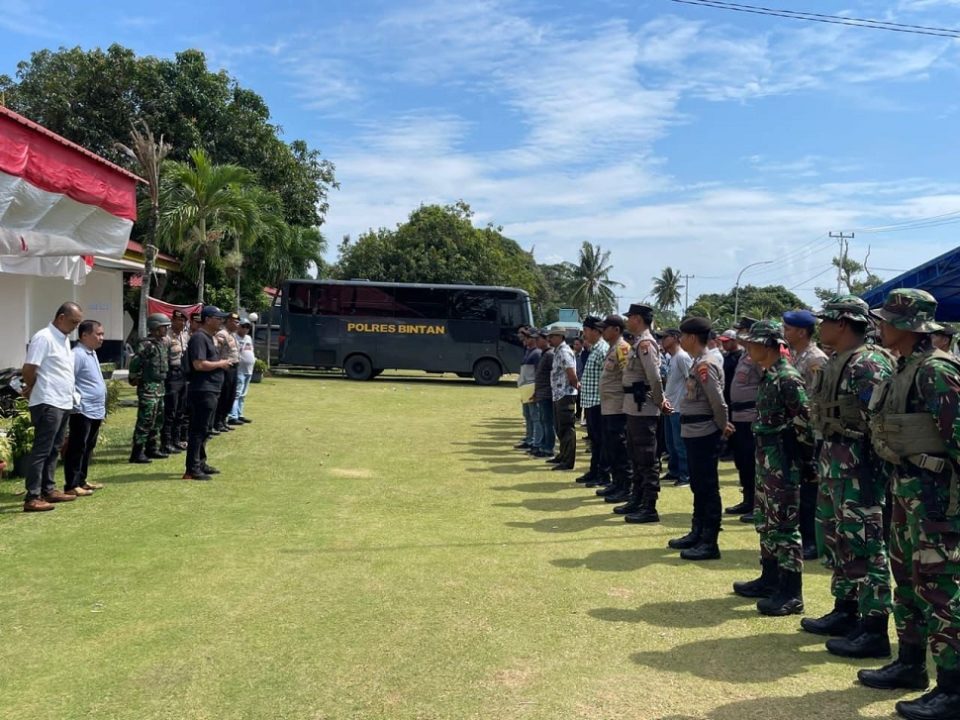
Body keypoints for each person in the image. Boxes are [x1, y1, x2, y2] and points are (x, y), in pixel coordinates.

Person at [858, 289, 960, 720]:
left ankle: (953, 689)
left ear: (907, 325)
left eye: (886, 319)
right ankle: (910, 663)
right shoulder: (903, 368)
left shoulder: (936, 372)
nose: (879, 325)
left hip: (937, 501)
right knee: (908, 578)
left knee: (941, 589)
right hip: (907, 493)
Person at [800, 295, 894, 660]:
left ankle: (873, 628)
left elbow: (879, 422)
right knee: (842, 542)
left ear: (842, 323)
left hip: (861, 469)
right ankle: (846, 610)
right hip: (836, 464)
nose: (820, 327)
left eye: (825, 321)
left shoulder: (867, 363)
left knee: (868, 546)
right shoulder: (839, 360)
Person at [734, 320, 813, 616]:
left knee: (785, 525)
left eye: (753, 344)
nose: (748, 348)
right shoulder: (770, 375)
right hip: (767, 458)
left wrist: (805, 461)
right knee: (767, 521)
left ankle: (791, 592)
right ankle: (770, 579)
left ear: (767, 345)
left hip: (783, 459)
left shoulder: (787, 377)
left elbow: (804, 421)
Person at [669, 317, 730, 560]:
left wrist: (722, 428)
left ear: (692, 337)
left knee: (707, 486)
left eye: (682, 335)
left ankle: (709, 540)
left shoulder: (706, 364)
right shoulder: (698, 362)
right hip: (694, 432)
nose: (680, 339)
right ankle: (698, 531)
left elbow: (717, 402)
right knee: (698, 484)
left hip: (704, 432)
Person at [20, 302, 84, 512]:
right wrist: (31, 387)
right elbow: (29, 368)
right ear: (61, 318)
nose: (76, 326)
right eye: (74, 322)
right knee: (42, 449)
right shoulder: (44, 337)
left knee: (55, 448)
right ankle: (33, 496)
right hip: (48, 401)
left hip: (62, 401)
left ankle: (48, 489)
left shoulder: (63, 339)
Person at [784, 308, 829, 560]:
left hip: (811, 435)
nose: (785, 332)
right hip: (798, 432)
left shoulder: (815, 360)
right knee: (801, 489)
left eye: (789, 329)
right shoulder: (796, 356)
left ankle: (812, 540)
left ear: (802, 332)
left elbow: (813, 401)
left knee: (811, 490)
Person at [620, 303, 667, 524]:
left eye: (630, 317)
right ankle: (637, 498)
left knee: (647, 458)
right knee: (635, 456)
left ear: (638, 319)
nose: (627, 321)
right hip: (633, 407)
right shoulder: (639, 343)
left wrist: (659, 402)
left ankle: (649, 506)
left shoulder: (646, 344)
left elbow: (655, 378)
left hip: (644, 408)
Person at [184, 305, 231, 481]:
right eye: (218, 318)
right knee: (198, 429)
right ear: (208, 319)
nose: (221, 321)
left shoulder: (209, 338)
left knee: (206, 429)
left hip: (211, 388)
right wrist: (221, 364)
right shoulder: (199, 338)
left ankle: (200, 462)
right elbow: (199, 364)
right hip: (202, 389)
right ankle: (192, 468)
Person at [63, 319, 107, 497]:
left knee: (88, 446)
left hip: (95, 409)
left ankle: (81, 480)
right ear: (84, 335)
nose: (101, 338)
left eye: (102, 334)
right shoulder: (77, 354)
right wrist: (75, 402)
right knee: (77, 446)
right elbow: (69, 379)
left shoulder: (91, 353)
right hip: (83, 409)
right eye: (98, 334)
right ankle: (71, 484)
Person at [726, 319, 763, 521]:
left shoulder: (758, 357)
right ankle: (748, 499)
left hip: (751, 416)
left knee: (751, 461)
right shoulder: (744, 355)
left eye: (742, 330)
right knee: (741, 461)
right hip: (738, 416)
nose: (738, 334)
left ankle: (757, 504)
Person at [596, 315, 632, 498]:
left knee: (620, 448)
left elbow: (628, 376)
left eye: (606, 327)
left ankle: (625, 486)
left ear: (616, 329)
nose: (602, 331)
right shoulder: (612, 348)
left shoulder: (623, 348)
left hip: (618, 407)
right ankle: (617, 482)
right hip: (609, 406)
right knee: (611, 447)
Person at [129, 313, 171, 464]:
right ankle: (137, 452)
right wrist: (134, 378)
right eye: (163, 327)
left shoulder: (161, 343)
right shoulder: (146, 345)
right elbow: (135, 362)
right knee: (146, 419)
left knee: (157, 419)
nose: (166, 330)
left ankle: (151, 448)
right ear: (154, 327)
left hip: (160, 387)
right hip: (148, 388)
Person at [577, 317, 609, 485]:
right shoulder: (594, 349)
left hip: (598, 402)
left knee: (601, 440)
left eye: (586, 330)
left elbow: (609, 377)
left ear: (596, 331)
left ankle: (602, 474)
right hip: (590, 402)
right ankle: (593, 470)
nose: (584, 334)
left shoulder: (603, 349)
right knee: (594, 441)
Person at [661, 329, 691, 487]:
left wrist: (687, 403)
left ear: (675, 338)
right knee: (670, 443)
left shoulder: (682, 357)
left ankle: (685, 474)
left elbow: (690, 380)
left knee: (679, 444)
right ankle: (674, 470)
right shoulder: (672, 358)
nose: (662, 340)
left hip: (679, 407)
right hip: (670, 406)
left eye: (665, 337)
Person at [547, 328, 580, 470]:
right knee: (559, 427)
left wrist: (574, 387)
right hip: (558, 394)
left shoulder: (564, 352)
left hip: (565, 394)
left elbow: (571, 374)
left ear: (560, 337)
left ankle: (568, 461)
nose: (549, 339)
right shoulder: (558, 351)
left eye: (552, 336)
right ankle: (562, 455)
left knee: (566, 428)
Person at [161, 309, 189, 454]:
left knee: (181, 410)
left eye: (183, 320)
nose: (181, 323)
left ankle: (176, 439)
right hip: (172, 374)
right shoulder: (166, 337)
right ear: (172, 321)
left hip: (183, 374)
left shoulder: (185, 336)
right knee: (170, 410)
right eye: (178, 320)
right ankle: (166, 442)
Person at [515, 328, 541, 450]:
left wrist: (536, 390)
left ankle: (536, 441)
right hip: (525, 389)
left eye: (528, 337)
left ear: (535, 338)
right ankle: (529, 438)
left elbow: (538, 373)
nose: (526, 339)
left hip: (531, 388)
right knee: (527, 415)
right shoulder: (528, 351)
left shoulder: (537, 353)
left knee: (535, 416)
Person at [214, 312, 241, 433]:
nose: (237, 324)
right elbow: (216, 352)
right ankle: (217, 422)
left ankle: (223, 420)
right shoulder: (222, 334)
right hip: (225, 368)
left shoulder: (233, 335)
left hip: (234, 368)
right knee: (224, 395)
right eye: (235, 322)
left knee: (231, 395)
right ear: (229, 321)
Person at [228, 318, 256, 425]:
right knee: (237, 393)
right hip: (239, 369)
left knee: (243, 394)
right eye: (243, 326)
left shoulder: (248, 338)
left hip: (249, 369)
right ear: (239, 327)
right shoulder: (234, 337)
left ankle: (240, 414)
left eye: (247, 327)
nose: (245, 329)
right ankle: (232, 416)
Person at [573, 336, 586, 422]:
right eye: (574, 344)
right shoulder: (574, 355)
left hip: (583, 381)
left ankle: (584, 417)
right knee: (577, 399)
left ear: (582, 345)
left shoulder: (585, 355)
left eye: (577, 344)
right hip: (575, 380)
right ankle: (577, 415)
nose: (575, 346)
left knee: (582, 400)